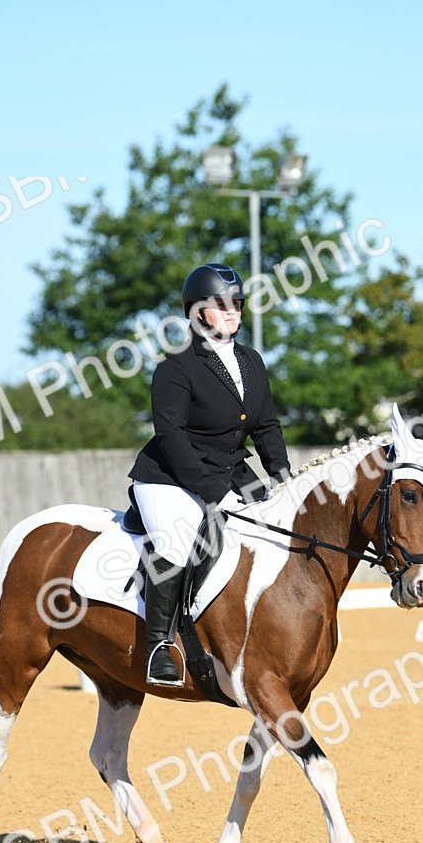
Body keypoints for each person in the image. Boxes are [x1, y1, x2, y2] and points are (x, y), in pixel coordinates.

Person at [128, 262, 290, 686]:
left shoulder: (251, 361)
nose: (233, 311)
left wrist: (281, 472)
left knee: (275, 529)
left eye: (236, 303)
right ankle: (159, 646)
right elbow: (172, 437)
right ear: (199, 312)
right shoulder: (176, 367)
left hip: (233, 469)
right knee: (178, 544)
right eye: (222, 305)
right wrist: (215, 491)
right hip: (169, 475)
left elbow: (266, 425)